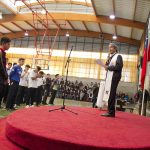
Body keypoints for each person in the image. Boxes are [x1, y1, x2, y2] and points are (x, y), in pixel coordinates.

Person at [97, 43, 123, 117]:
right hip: (110, 77)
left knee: (111, 94)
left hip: (114, 77)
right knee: (110, 94)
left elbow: (119, 66)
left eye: (111, 47)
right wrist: (106, 65)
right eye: (109, 47)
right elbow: (107, 67)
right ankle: (110, 111)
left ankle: (111, 112)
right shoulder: (111, 57)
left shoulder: (118, 56)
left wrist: (108, 67)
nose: (110, 49)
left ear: (115, 48)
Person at [0, 37, 11, 108]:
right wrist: (6, 77)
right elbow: (1, 66)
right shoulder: (0, 52)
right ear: (3, 43)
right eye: (8, 44)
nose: (9, 46)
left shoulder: (3, 53)